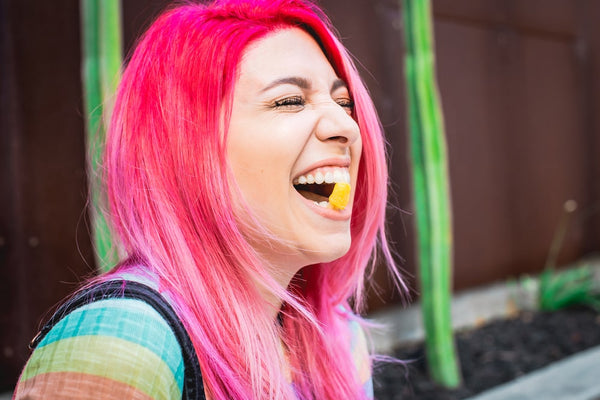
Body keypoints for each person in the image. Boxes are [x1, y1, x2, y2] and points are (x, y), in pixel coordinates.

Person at [14, 0, 404, 398]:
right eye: (289, 101)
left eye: (344, 103)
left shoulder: (339, 338)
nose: (347, 127)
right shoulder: (121, 342)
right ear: (186, 146)